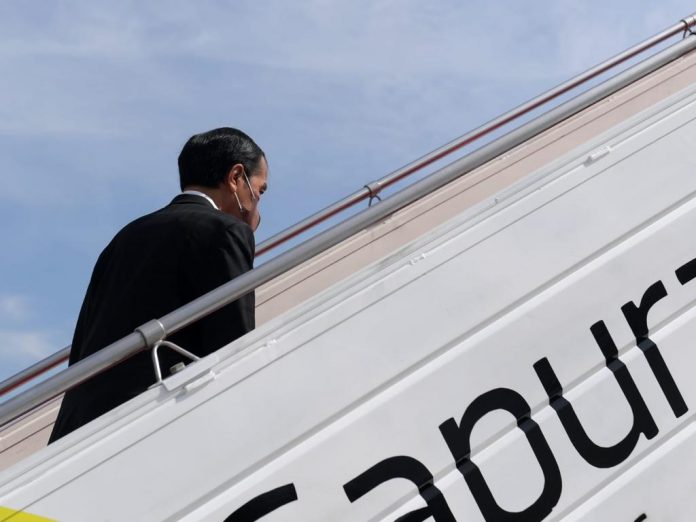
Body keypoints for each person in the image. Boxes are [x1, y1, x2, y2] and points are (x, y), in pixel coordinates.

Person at [49, 127, 268, 443]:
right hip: (153, 422)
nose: (258, 205)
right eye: (259, 191)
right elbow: (234, 342)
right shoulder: (225, 230)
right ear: (236, 178)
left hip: (78, 425)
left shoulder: (124, 237)